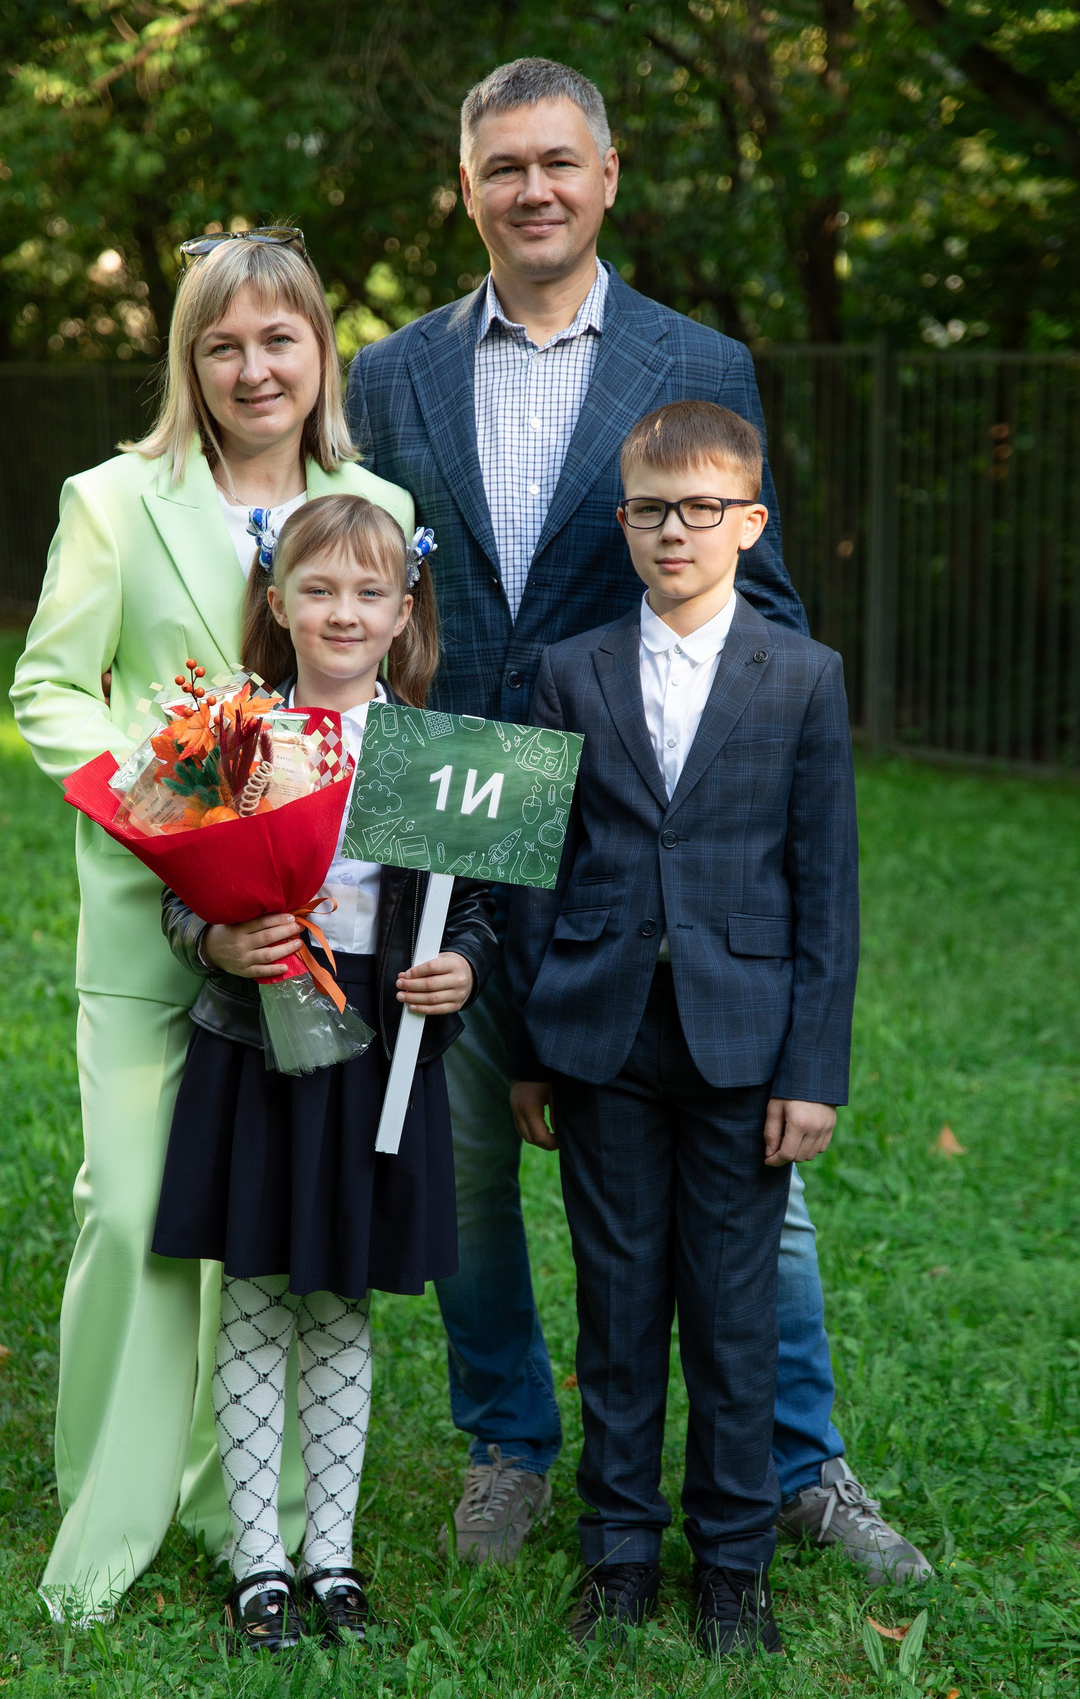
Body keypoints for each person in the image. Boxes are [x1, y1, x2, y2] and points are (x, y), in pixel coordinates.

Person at [343, 55, 927, 1582]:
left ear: (608, 179)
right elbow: (354, 588)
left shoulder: (698, 356)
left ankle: (799, 1463)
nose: (532, 189)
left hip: (644, 830)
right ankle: (509, 1444)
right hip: (458, 805)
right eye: (502, 168)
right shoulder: (390, 371)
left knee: (750, 1178)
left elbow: (763, 595)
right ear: (464, 189)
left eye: (559, 162)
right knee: (469, 1156)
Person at [10, 232, 416, 1623]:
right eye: (224, 344)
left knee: (291, 1220)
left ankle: (277, 1521)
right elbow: (49, 688)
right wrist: (174, 805)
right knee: (133, 1212)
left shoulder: (376, 503)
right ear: (191, 360)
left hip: (327, 945)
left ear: (320, 354)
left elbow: (401, 714)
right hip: (157, 919)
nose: (255, 368)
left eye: (279, 340)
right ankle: (113, 1494)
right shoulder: (113, 499)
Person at [509, 398, 858, 1656]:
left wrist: (810, 1071)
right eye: (652, 510)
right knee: (616, 1302)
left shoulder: (800, 679)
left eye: (702, 510)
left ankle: (731, 1563)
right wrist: (542, 1040)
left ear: (747, 523)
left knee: (727, 1313)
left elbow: (828, 892)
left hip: (743, 1043)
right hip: (600, 1036)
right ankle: (615, 1555)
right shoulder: (571, 671)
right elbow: (538, 871)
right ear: (624, 522)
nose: (675, 531)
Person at [152, 496, 497, 1652]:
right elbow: (173, 892)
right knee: (254, 1294)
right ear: (276, 601)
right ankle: (259, 1565)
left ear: (404, 614)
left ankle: (330, 1556)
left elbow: (482, 912)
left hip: (375, 1064)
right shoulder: (230, 738)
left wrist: (461, 967)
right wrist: (217, 943)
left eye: (368, 593)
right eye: (318, 589)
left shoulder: (439, 753)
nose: (342, 612)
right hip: (257, 1051)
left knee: (339, 1301)